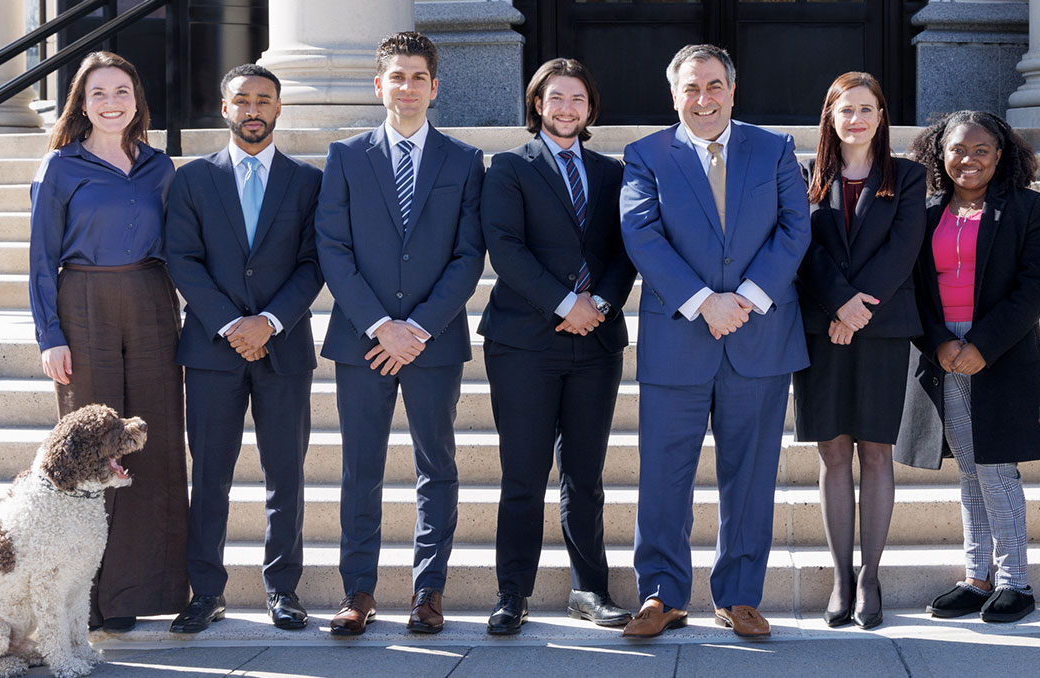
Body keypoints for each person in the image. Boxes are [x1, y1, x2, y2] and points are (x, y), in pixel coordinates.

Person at [618, 43, 809, 640]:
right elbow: (641, 235)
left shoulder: (774, 149)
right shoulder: (646, 154)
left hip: (759, 336)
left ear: (733, 89)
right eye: (691, 89)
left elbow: (794, 228)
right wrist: (706, 303)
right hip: (680, 336)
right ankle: (661, 594)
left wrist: (746, 298)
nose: (704, 100)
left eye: (715, 87)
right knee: (664, 475)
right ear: (674, 95)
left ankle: (740, 596)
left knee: (751, 475)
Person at [314, 31, 487, 636]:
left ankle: (428, 593)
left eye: (418, 77)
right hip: (362, 341)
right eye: (397, 77)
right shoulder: (345, 157)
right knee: (361, 468)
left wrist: (416, 327)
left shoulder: (464, 161)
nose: (407, 88)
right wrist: (381, 326)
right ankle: (357, 593)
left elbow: (468, 256)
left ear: (434, 88)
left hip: (432, 342)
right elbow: (333, 249)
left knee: (435, 466)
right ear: (379, 85)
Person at [27, 50, 186, 631]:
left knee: (155, 439)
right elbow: (40, 258)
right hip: (84, 304)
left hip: (150, 301)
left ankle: (137, 594)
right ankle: (86, 599)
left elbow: (177, 247)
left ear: (137, 99)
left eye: (122, 91)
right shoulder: (60, 167)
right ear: (82, 103)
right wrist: (50, 335)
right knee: (92, 447)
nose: (112, 102)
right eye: (99, 93)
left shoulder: (159, 168)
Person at [477, 57, 637, 635]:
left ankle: (590, 591)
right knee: (523, 473)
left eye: (577, 99)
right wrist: (566, 304)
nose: (566, 108)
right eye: (555, 98)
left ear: (590, 108)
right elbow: (506, 248)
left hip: (596, 343)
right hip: (523, 342)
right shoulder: (508, 169)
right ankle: (511, 594)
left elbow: (627, 250)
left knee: (586, 475)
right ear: (537, 104)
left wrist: (601, 305)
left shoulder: (613, 172)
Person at [163, 64, 324, 634]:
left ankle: (283, 590)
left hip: (284, 349)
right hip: (212, 349)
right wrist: (234, 323)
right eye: (243, 100)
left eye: (264, 100)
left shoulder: (308, 181)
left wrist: (270, 322)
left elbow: (314, 263)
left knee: (287, 475)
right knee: (210, 475)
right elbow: (181, 259)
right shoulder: (192, 180)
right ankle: (206, 592)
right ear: (224, 107)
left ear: (279, 109)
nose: (253, 109)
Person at [898, 110, 1040, 625]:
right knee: (969, 466)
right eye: (957, 150)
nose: (968, 159)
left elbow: (1037, 286)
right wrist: (939, 342)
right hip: (943, 354)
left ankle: (1016, 582)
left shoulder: (1028, 208)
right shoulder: (922, 213)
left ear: (1001, 154)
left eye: (982, 150)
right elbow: (911, 287)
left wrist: (983, 345)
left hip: (1002, 353)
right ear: (938, 154)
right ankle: (978, 577)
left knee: (994, 465)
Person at [792, 72, 925, 630]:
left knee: (874, 452)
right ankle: (840, 577)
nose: (857, 119)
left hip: (883, 328)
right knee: (832, 455)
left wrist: (858, 309)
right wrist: (838, 305)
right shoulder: (804, 176)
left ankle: (871, 576)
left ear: (881, 115)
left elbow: (904, 248)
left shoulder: (910, 176)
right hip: (822, 329)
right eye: (846, 110)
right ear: (830, 115)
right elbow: (800, 246)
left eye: (867, 108)